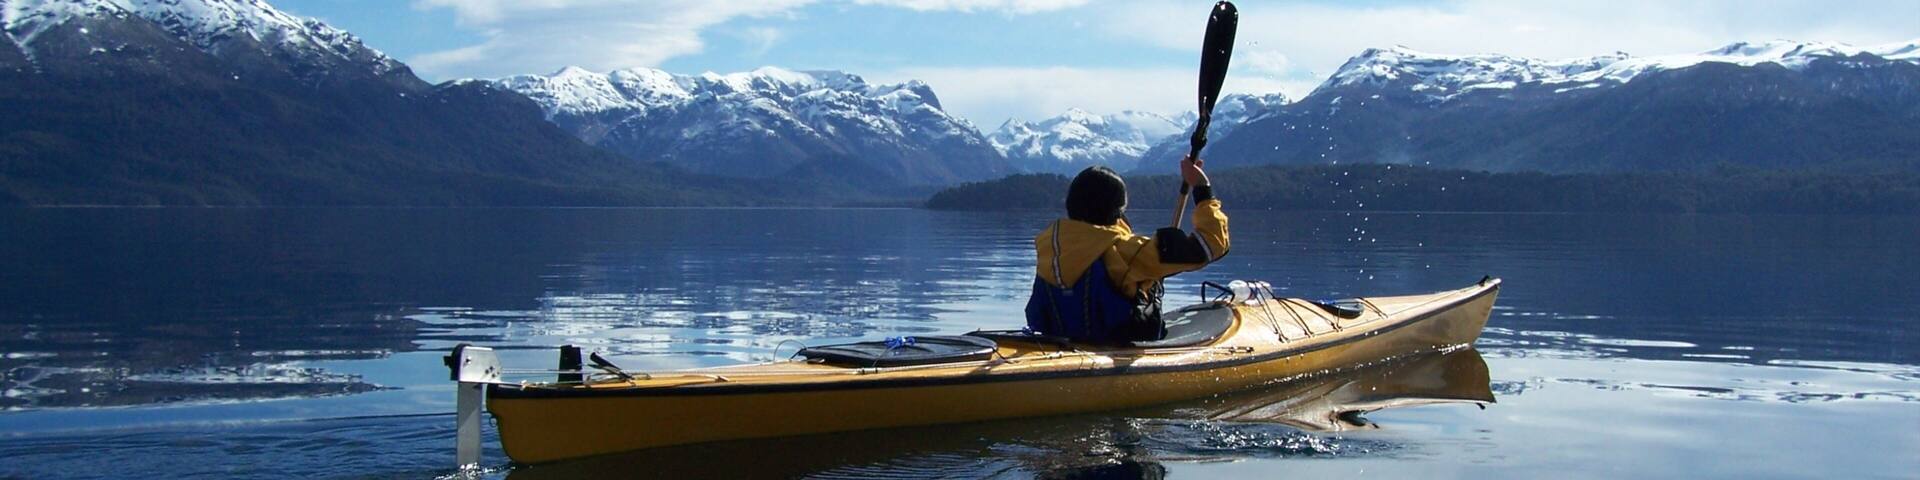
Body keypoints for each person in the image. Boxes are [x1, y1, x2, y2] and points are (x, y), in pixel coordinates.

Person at [1024, 155, 1229, 343]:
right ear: (1118, 212)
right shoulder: (1127, 252)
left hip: (1057, 343)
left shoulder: (1049, 248)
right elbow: (1211, 243)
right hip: (1116, 348)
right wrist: (1202, 189)